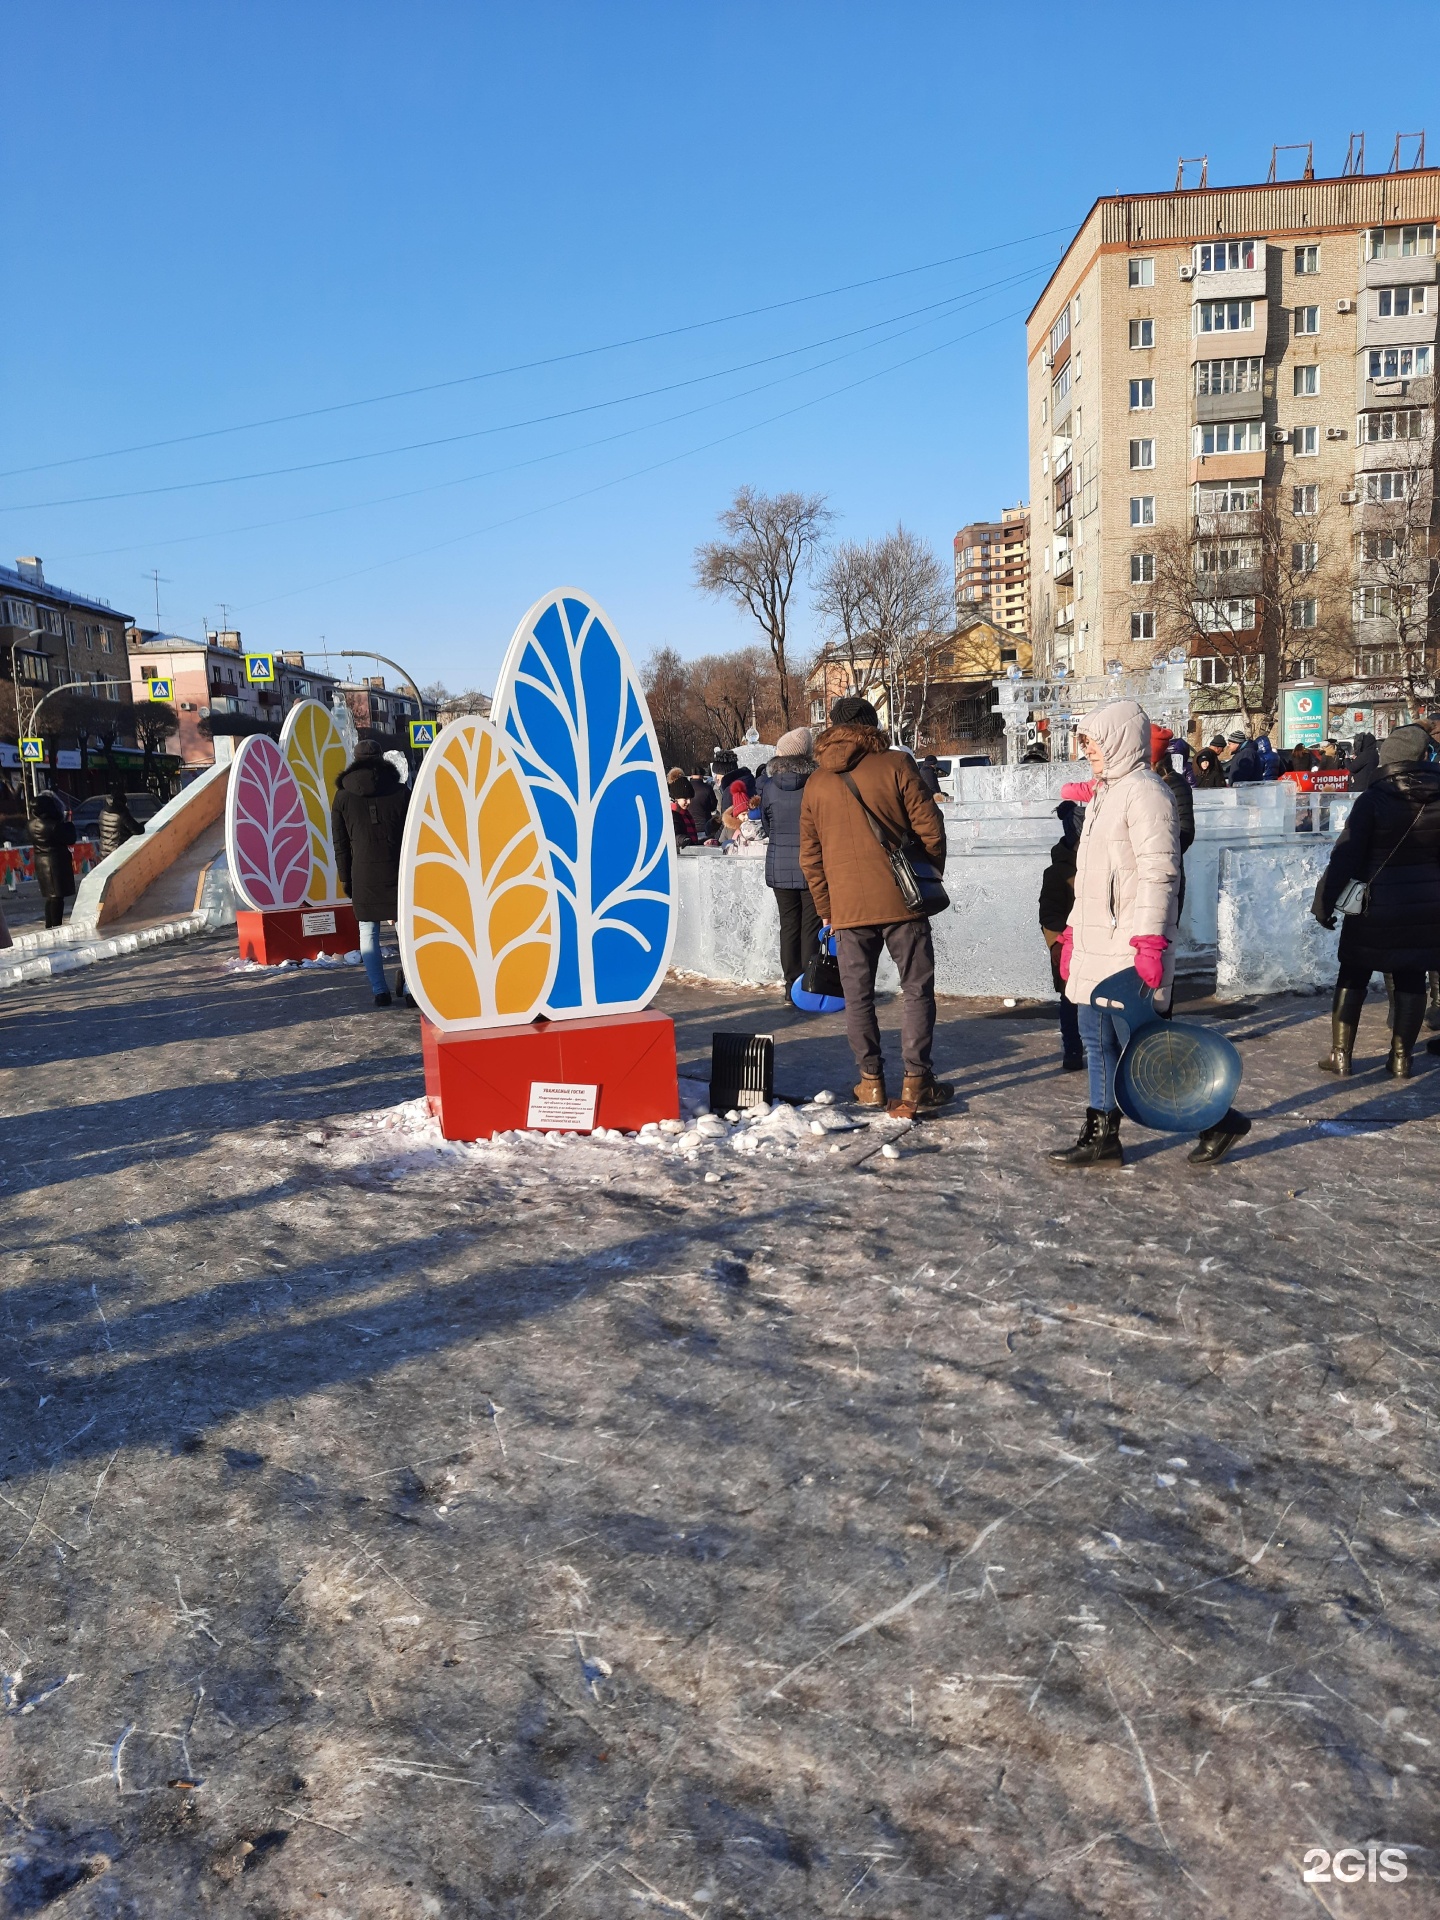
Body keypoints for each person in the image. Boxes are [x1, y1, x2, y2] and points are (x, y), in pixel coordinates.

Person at [1050, 699, 1250, 1168]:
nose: (1089, 751)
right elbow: (1092, 876)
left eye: (1094, 742)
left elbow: (1160, 874)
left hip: (1128, 944)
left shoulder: (1147, 794)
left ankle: (1217, 1120)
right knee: (1095, 1038)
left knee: (1146, 1044)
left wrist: (1151, 942)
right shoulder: (1103, 794)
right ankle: (1101, 1137)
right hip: (1097, 942)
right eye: (1085, 743)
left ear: (1120, 740)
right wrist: (1073, 935)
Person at [799, 695, 951, 1113]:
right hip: (903, 900)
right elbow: (931, 829)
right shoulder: (896, 765)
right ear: (872, 725)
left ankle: (870, 1082)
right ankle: (917, 1080)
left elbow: (809, 857)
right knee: (917, 990)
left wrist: (827, 907)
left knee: (858, 996)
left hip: (846, 909)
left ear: (831, 729)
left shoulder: (816, 783)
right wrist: (927, 873)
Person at [1312, 723, 1440, 1078]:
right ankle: (1401, 1059)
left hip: (1374, 906)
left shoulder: (1374, 798)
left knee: (1353, 973)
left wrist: (1325, 902)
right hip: (1427, 906)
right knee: (1412, 977)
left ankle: (1341, 1056)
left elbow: (1346, 856)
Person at [331, 740, 412, 1008]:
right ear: (381, 758)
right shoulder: (401, 792)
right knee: (406, 933)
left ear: (354, 760)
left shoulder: (342, 797)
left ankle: (380, 991)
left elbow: (340, 844)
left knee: (368, 933)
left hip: (362, 872)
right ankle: (412, 989)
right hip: (398, 871)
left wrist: (346, 879)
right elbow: (415, 835)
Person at [759, 726, 820, 998]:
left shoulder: (769, 788)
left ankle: (790, 985)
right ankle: (809, 984)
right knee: (811, 925)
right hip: (812, 866)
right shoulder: (817, 784)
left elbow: (766, 824)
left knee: (789, 926)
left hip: (778, 866)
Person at [1038, 799, 1084, 1071]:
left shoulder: (1097, 866)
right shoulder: (1057, 873)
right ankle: (1072, 1049)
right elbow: (1049, 913)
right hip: (1067, 947)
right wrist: (1059, 942)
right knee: (1070, 1000)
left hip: (1094, 944)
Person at [26, 791, 76, 930]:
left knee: (51, 896)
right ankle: (56, 926)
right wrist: (68, 823)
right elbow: (70, 838)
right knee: (57, 897)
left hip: (41, 862)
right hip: (55, 862)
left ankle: (49, 926)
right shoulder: (53, 825)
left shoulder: (31, 824)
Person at [97, 786, 144, 859]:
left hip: (104, 853)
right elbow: (138, 830)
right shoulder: (122, 813)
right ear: (122, 803)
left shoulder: (103, 812)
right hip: (118, 854)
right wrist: (142, 825)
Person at [688, 772, 719, 842]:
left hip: (689, 826)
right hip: (705, 825)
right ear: (702, 776)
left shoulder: (685, 788)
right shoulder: (707, 788)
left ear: (691, 775)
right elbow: (713, 806)